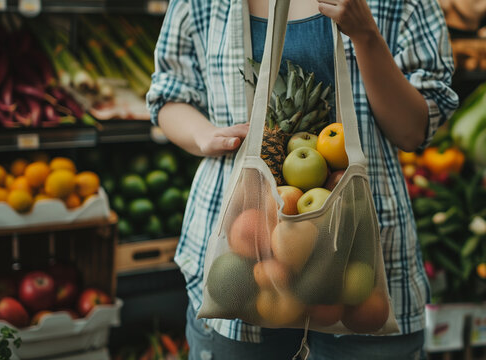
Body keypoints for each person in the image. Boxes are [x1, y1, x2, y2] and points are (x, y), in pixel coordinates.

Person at [147, 0, 458, 359]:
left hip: (362, 253)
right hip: (239, 251)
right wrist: (205, 136)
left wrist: (366, 36)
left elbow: (412, 131)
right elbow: (168, 95)